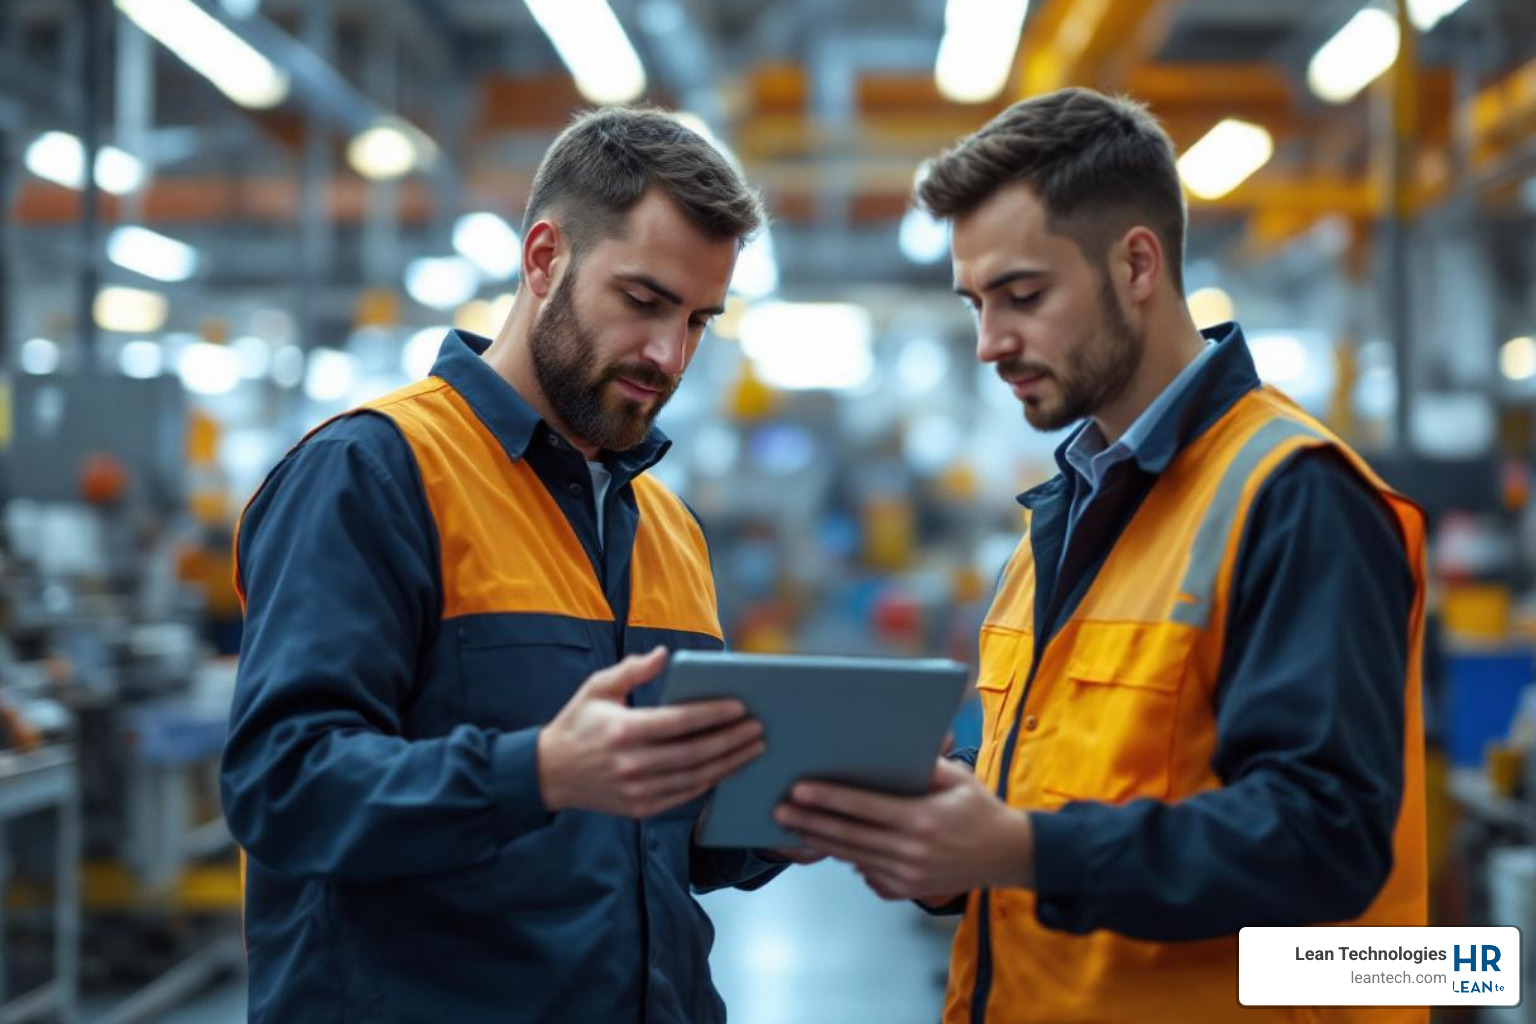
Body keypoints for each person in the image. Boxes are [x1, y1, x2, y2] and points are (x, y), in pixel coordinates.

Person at [776, 87, 1427, 1024]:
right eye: (975, 303)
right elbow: (1062, 791)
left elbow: (1326, 842)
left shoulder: (1293, 495)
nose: (990, 342)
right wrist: (947, 835)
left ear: (1136, 265)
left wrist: (1023, 851)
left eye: (1024, 295)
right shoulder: (1066, 511)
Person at [222, 107, 790, 1024]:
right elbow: (284, 787)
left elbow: (658, 841)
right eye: (642, 302)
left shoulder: (669, 527)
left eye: (698, 320)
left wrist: (786, 808)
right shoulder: (373, 473)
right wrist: (539, 772)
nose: (668, 355)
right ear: (542, 259)